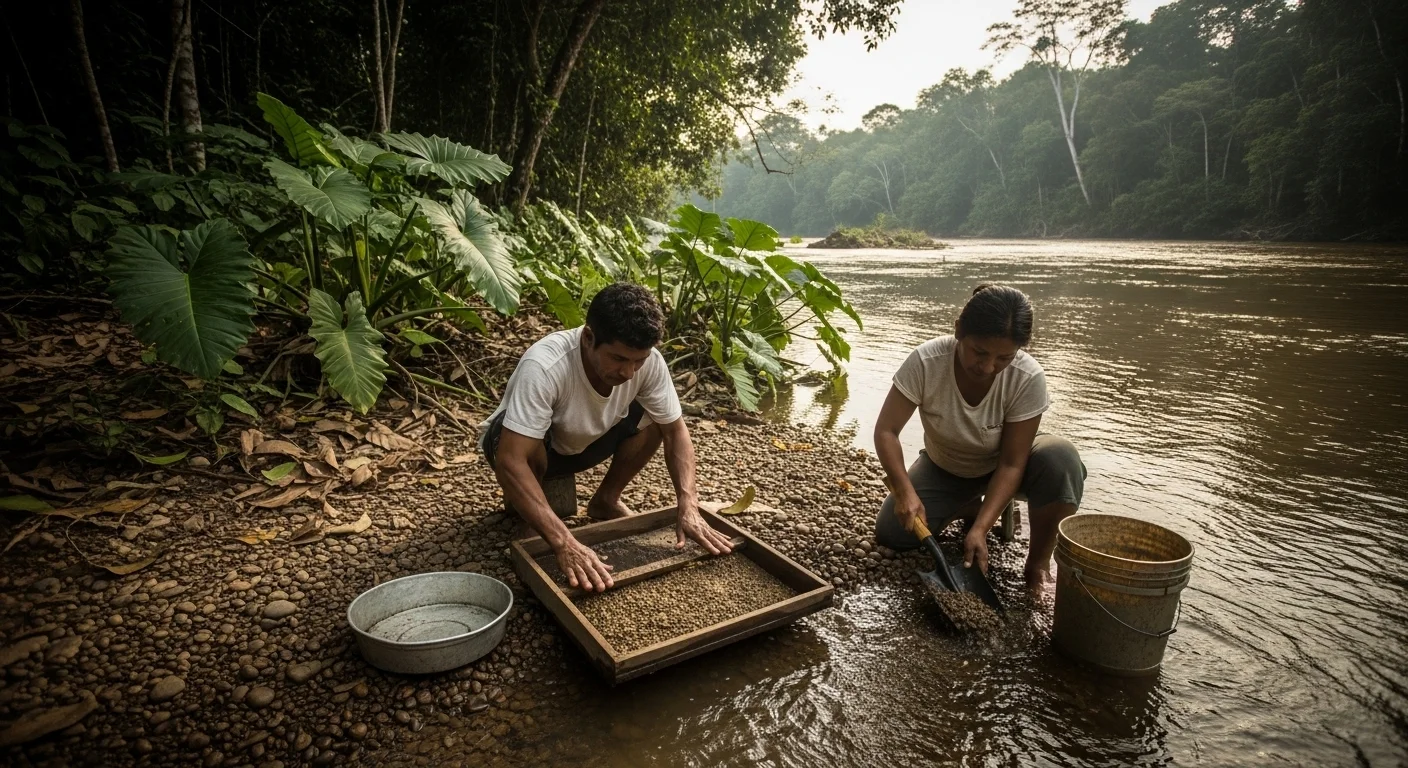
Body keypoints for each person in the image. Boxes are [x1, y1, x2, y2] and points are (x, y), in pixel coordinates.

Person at [480, 282, 734, 593]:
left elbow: (675, 430)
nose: (629, 372)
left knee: (658, 417)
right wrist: (565, 542)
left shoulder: (648, 362)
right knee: (526, 449)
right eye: (618, 358)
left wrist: (688, 503)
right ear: (588, 337)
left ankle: (605, 501)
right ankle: (535, 524)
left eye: (637, 361)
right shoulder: (545, 366)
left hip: (585, 444)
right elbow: (510, 459)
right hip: (526, 449)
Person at [872, 284, 1085, 591]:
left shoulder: (1028, 378)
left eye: (1004, 358)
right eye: (979, 352)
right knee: (892, 533)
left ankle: (1037, 566)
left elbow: (1013, 464)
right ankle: (969, 506)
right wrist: (905, 492)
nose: (988, 367)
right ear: (959, 330)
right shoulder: (926, 362)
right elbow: (886, 430)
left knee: (1061, 459)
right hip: (945, 466)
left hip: (1007, 468)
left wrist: (982, 530)